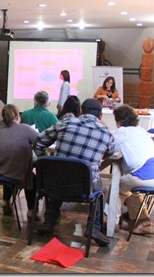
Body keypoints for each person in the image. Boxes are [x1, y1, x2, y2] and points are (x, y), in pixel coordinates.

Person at [34, 98, 115, 246]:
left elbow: (38, 141)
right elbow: (111, 152)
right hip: (84, 186)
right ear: (101, 116)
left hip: (54, 183)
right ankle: (94, 228)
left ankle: (49, 222)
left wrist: (44, 160)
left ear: (81, 111)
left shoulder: (65, 123)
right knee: (102, 189)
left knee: (61, 175)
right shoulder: (106, 133)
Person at [112, 105, 154, 234]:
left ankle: (112, 222)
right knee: (130, 187)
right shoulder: (140, 130)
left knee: (117, 187)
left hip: (147, 175)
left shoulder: (123, 132)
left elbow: (111, 146)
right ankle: (142, 222)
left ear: (118, 120)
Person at [0, 104, 38, 219]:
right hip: (15, 172)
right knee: (31, 177)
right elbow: (40, 140)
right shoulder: (25, 129)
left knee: (9, 169)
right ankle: (31, 211)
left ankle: (6, 200)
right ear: (17, 116)